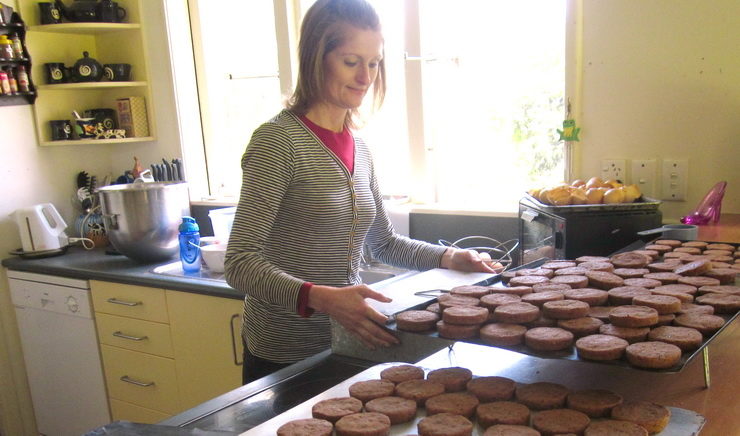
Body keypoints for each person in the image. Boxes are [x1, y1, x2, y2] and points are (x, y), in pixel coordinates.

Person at [224, 0, 500, 384]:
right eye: (351, 61)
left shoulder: (361, 149)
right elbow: (239, 263)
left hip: (347, 341)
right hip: (285, 354)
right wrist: (322, 298)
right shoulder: (278, 142)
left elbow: (383, 244)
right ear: (316, 58)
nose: (365, 77)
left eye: (373, 63)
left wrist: (452, 257)